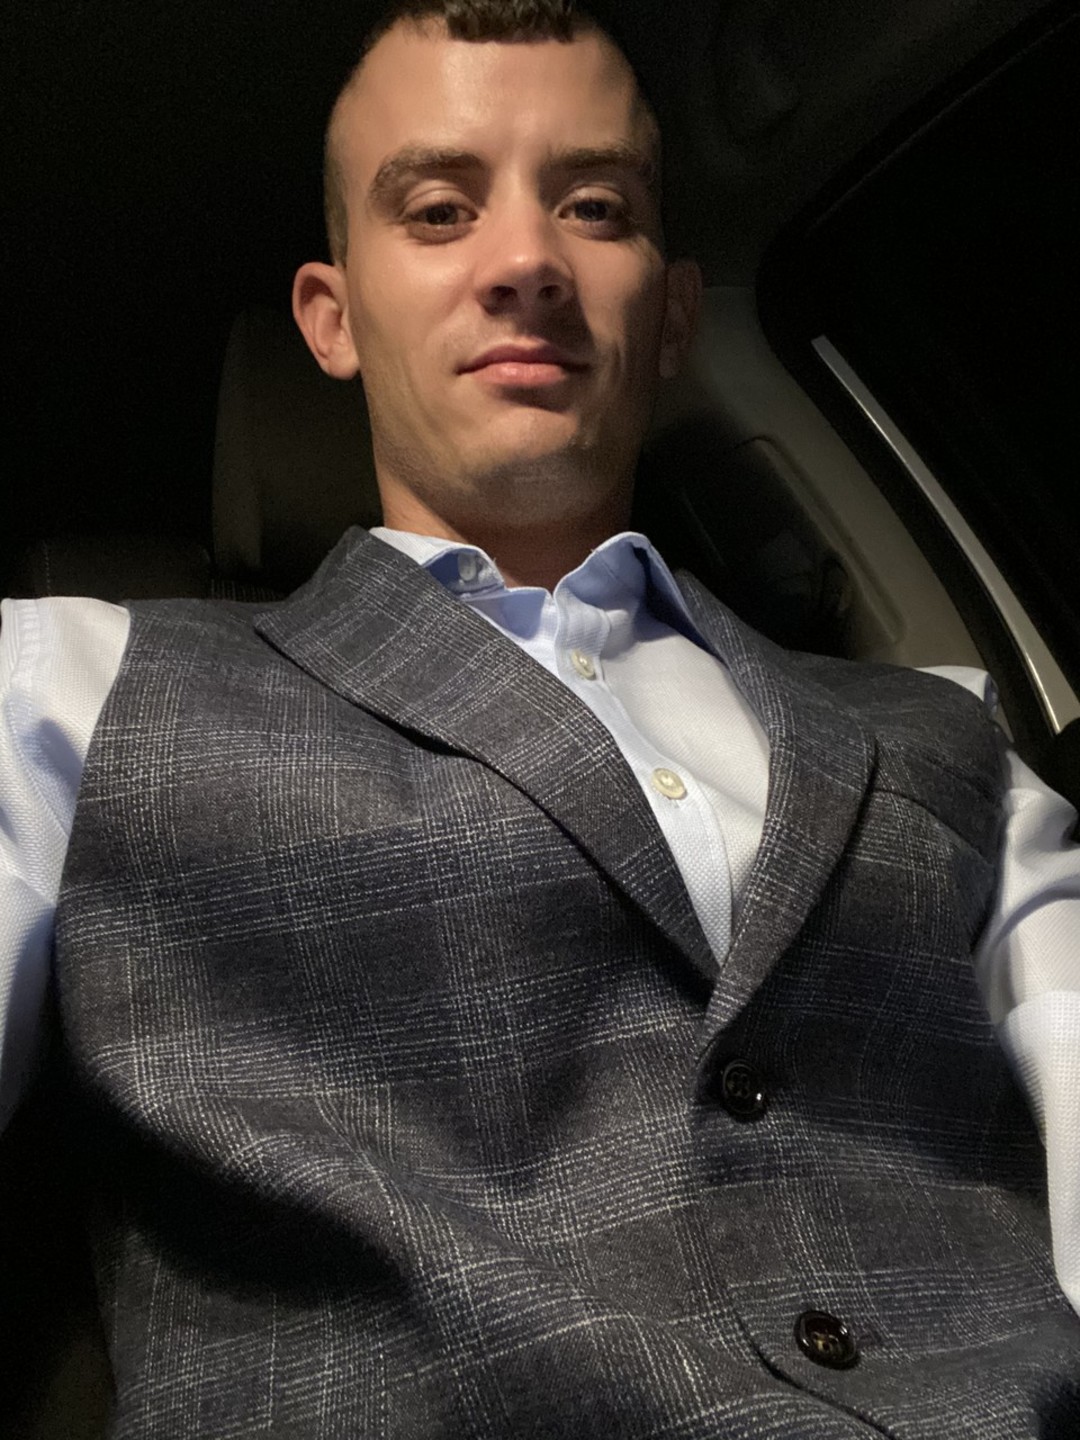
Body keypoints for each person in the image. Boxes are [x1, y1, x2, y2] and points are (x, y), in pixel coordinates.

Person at [2, 1, 1080, 1434]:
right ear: (332, 317)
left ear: (674, 312)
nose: (525, 262)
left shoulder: (949, 730)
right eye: (440, 211)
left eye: (594, 207)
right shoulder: (66, 687)